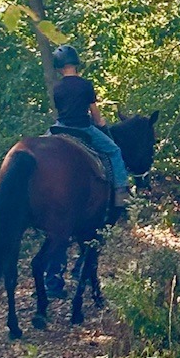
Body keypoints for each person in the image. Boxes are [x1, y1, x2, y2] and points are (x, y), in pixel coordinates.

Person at [44, 44, 130, 297]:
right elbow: (95, 114)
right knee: (114, 151)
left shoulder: (57, 87)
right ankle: (121, 194)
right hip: (83, 130)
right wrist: (102, 126)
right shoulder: (85, 85)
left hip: (59, 129)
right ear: (76, 64)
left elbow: (61, 113)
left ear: (60, 68)